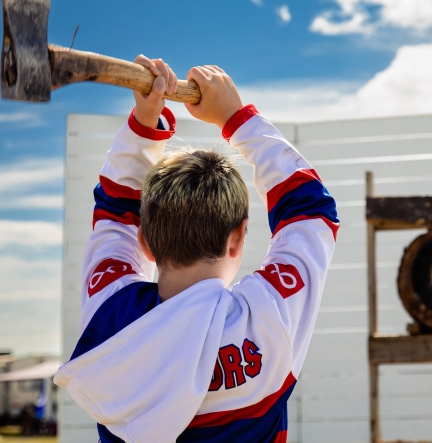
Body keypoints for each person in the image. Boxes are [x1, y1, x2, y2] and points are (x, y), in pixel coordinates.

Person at [54, 56, 339, 442]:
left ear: (145, 241)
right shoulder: (268, 320)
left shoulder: (109, 316)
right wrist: (235, 116)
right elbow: (311, 210)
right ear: (238, 237)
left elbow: (114, 211)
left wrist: (145, 121)